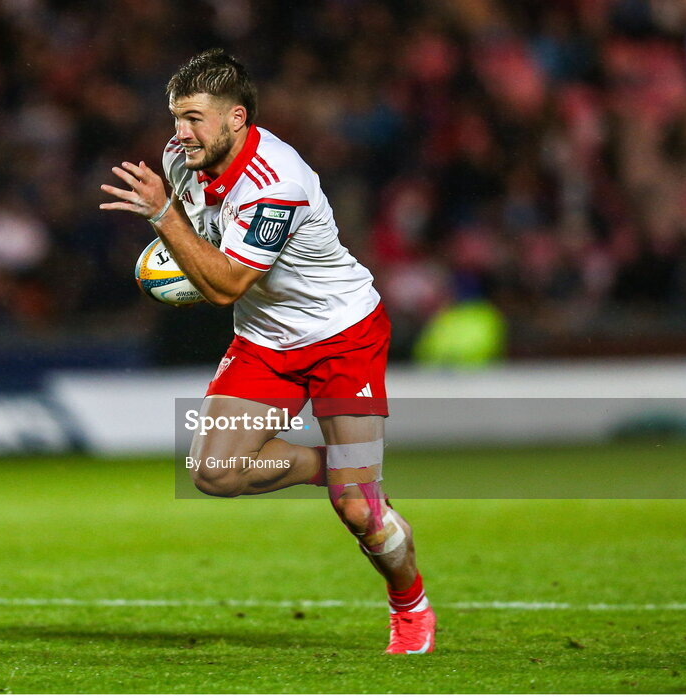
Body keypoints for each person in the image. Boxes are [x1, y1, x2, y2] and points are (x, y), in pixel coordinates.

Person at [100, 49, 434, 654]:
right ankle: (345, 473)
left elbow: (226, 282)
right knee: (215, 472)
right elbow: (215, 263)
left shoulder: (275, 184)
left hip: (343, 337)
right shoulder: (182, 160)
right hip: (265, 342)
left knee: (361, 518)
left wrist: (162, 218)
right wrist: (178, 243)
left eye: (196, 118)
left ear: (237, 118)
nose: (181, 132)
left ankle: (408, 604)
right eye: (177, 116)